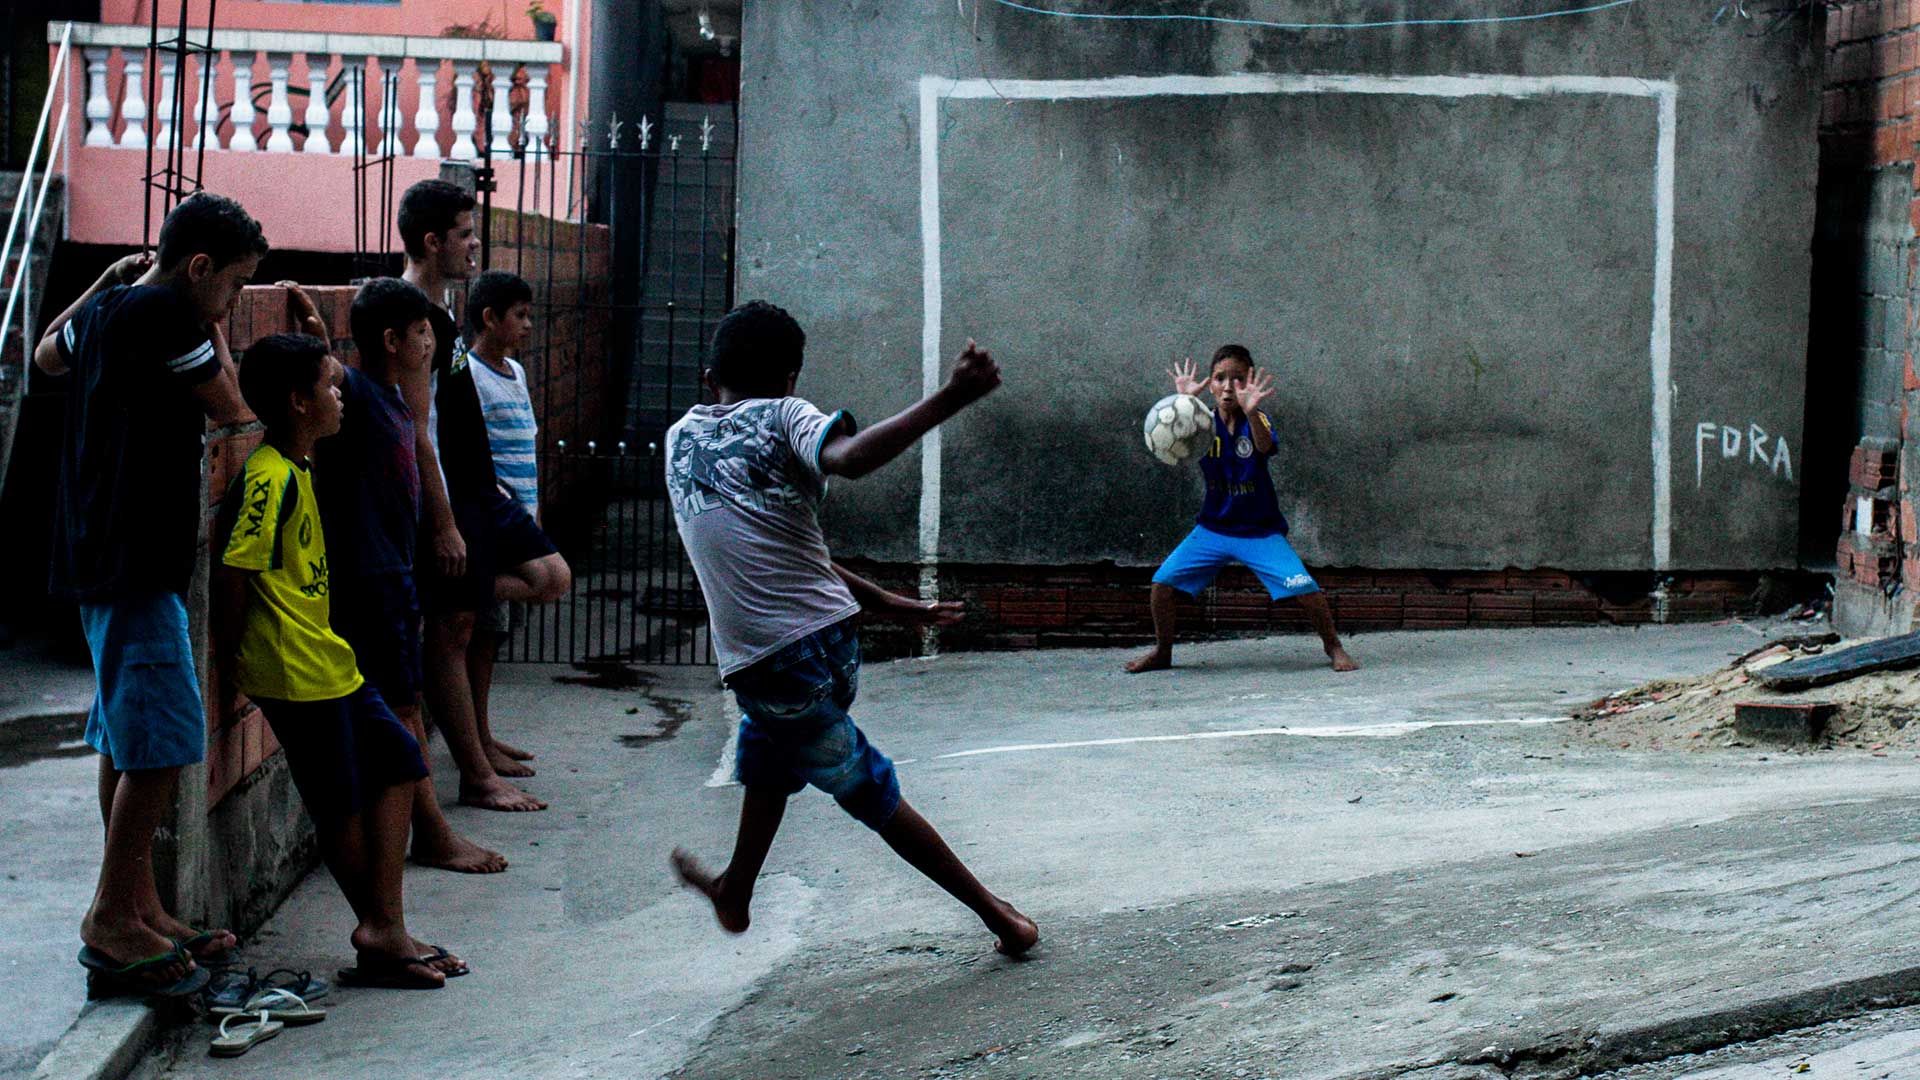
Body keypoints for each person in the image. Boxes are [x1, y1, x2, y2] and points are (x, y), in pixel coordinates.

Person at [665, 301, 1038, 956]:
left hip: (779, 661)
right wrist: (899, 606)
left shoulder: (680, 441)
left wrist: (950, 397)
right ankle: (736, 890)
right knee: (769, 753)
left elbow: (849, 462)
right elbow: (821, 512)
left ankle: (996, 914)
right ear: (790, 377)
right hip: (813, 649)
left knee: (865, 786)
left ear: (707, 378)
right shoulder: (785, 414)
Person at [34, 192, 263, 996]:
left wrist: (100, 280)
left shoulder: (109, 314)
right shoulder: (170, 320)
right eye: (234, 285)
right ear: (197, 267)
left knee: (125, 737)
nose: (234, 302)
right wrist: (217, 329)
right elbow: (233, 410)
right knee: (164, 739)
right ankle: (110, 920)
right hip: (135, 561)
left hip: (99, 554)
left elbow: (43, 356)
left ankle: (136, 903)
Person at [212, 332, 466, 989]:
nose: (340, 395)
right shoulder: (269, 477)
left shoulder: (298, 461)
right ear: (299, 403)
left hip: (326, 661)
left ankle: (385, 927)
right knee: (342, 801)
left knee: (398, 761)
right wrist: (234, 658)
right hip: (295, 669)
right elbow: (235, 571)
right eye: (329, 386)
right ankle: (383, 932)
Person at [287, 278, 507, 874]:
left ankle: (430, 832)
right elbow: (326, 379)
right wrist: (313, 336)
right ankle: (432, 834)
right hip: (370, 580)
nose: (432, 343)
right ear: (390, 340)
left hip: (391, 576)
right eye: (421, 333)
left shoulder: (390, 398)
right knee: (404, 713)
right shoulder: (357, 396)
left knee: (401, 710)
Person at [397, 179, 567, 812]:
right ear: (433, 241)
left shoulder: (440, 315)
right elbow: (418, 426)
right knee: (454, 627)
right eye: (465, 235)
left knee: (549, 576)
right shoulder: (410, 314)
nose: (475, 246)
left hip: (479, 491)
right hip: (447, 496)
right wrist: (442, 522)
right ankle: (475, 774)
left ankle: (480, 756)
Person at [1126, 345, 1359, 675]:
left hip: (1258, 531)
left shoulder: (1257, 418)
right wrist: (1183, 404)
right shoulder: (1200, 422)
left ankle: (1333, 645)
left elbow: (1265, 447)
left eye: (1237, 379)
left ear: (1248, 384)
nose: (1227, 386)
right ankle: (1163, 651)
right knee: (1161, 585)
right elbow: (1179, 448)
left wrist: (1251, 412)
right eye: (1220, 378)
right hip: (1214, 529)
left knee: (1306, 589)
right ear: (1210, 384)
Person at [460, 269, 558, 780]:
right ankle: (478, 740)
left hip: (518, 518)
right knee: (482, 633)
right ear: (489, 318)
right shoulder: (469, 374)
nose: (527, 325)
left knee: (494, 638)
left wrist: (532, 513)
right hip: (492, 522)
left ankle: (484, 732)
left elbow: (527, 444)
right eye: (518, 316)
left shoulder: (515, 373)